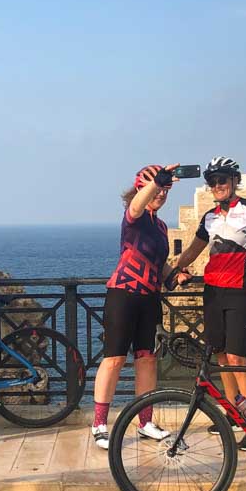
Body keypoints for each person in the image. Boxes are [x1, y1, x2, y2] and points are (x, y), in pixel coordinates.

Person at [173, 156, 246, 451]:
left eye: (222, 181)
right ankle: (233, 414)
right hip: (212, 293)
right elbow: (194, 250)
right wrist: (174, 269)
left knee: (238, 359)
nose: (217, 186)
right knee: (220, 356)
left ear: (234, 182)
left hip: (240, 293)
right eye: (213, 182)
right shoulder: (209, 217)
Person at [91, 164, 191, 449]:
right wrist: (154, 184)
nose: (160, 193)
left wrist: (174, 275)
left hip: (149, 297)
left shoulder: (159, 226)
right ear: (141, 188)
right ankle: (99, 424)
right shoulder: (133, 217)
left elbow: (157, 263)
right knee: (114, 359)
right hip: (123, 294)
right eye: (156, 188)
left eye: (165, 190)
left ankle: (145, 422)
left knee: (147, 359)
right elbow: (136, 206)